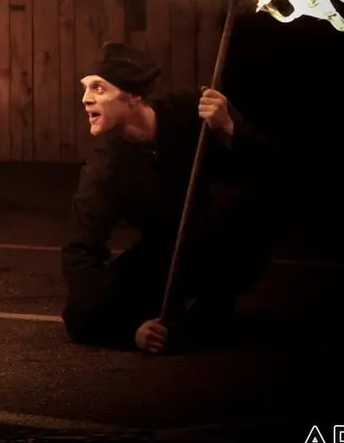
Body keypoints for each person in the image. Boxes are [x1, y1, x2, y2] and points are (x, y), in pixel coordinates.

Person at [60, 41, 275, 354]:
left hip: (226, 242)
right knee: (80, 315)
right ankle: (172, 305)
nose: (85, 99)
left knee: (228, 198)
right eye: (85, 87)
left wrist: (229, 127)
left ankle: (215, 297)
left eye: (98, 88)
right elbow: (79, 249)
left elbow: (268, 165)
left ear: (133, 96)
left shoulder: (193, 112)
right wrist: (128, 328)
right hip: (168, 251)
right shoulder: (105, 166)